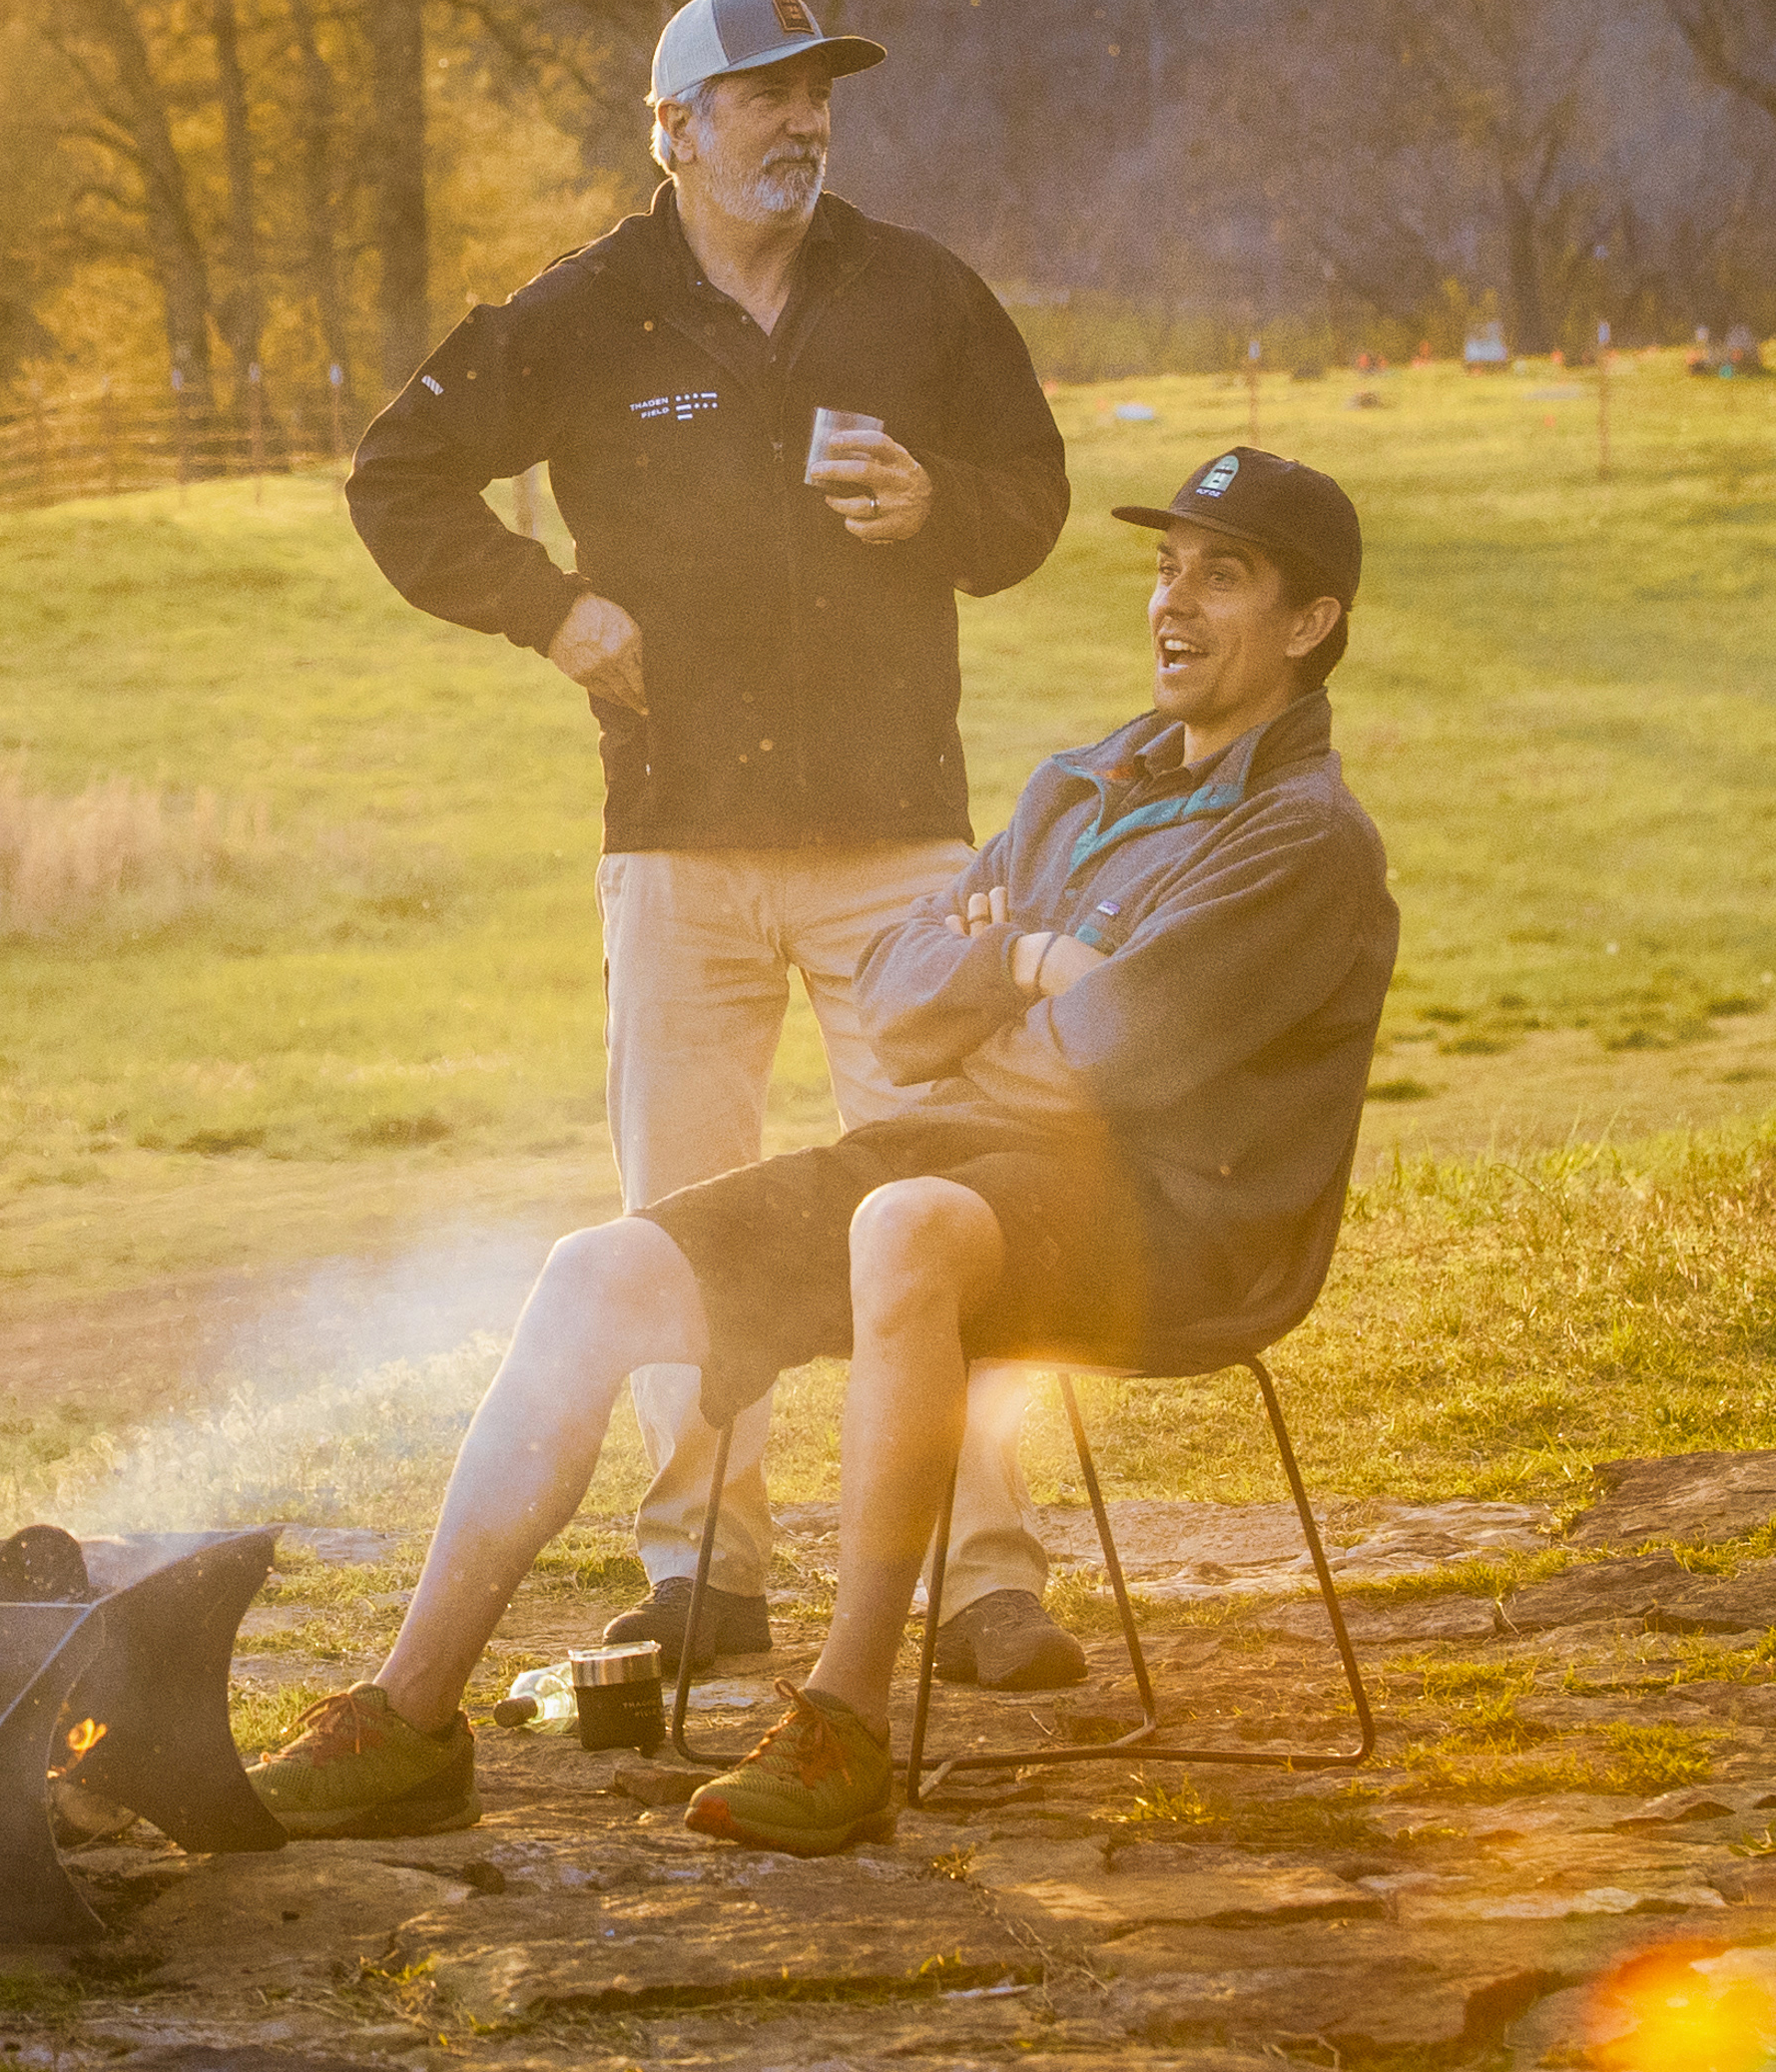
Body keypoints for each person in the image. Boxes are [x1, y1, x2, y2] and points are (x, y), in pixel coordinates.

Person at [245, 449, 1393, 1858]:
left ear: (1309, 623)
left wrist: (997, 1014)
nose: (1175, 601)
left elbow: (1111, 1069)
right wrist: (1028, 963)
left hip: (1174, 1229)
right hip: (952, 1160)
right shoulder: (1079, 787)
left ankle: (843, 1722)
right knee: (596, 1271)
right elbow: (898, 1005)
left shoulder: (1303, 839)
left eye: (1225, 576)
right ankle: (410, 1719)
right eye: (1167, 568)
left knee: (902, 1221)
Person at [346, 0, 1080, 1686]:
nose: (802, 121)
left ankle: (985, 1580)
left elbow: (1032, 498)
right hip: (677, 841)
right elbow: (398, 476)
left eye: (819, 93)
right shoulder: (582, 312)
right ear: (674, 129)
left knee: (945, 1196)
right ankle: (703, 1575)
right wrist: (549, 611)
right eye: (763, 95)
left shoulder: (920, 293)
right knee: (678, 1219)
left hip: (902, 844)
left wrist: (943, 507)